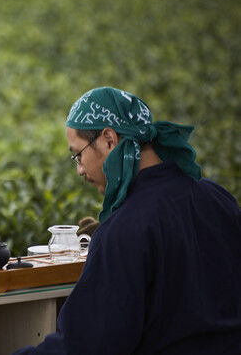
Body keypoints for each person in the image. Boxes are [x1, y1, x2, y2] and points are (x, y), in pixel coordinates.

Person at [14, 87, 241, 354]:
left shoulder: (124, 229)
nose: (79, 169)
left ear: (109, 139)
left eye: (78, 155)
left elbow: (89, 346)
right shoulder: (219, 199)